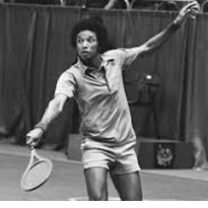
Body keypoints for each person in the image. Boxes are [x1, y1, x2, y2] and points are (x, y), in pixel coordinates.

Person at [26, 1, 199, 201]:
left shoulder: (115, 59)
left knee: (134, 202)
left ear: (99, 43)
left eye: (90, 40)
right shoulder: (71, 76)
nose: (84, 44)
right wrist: (41, 126)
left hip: (125, 146)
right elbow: (57, 102)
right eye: (80, 40)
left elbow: (148, 47)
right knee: (98, 199)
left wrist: (176, 24)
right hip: (95, 145)